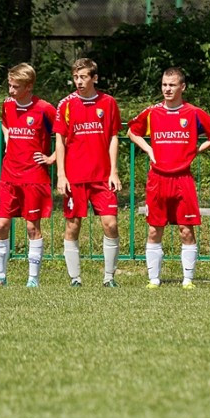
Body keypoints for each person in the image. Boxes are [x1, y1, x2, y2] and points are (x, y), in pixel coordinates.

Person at [128, 67, 210, 289]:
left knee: (186, 229)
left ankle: (188, 280)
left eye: (172, 85)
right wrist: (149, 150)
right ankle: (154, 279)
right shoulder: (152, 112)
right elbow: (133, 132)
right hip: (157, 179)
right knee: (154, 229)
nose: (167, 89)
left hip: (183, 179)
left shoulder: (193, 113)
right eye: (164, 84)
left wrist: (199, 149)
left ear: (183, 87)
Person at [54, 58, 122, 287]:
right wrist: (61, 175)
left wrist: (114, 171)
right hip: (75, 177)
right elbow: (60, 141)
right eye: (76, 77)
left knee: (110, 224)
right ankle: (75, 278)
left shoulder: (108, 102)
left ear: (95, 78)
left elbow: (114, 136)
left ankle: (109, 277)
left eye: (84, 77)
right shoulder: (65, 104)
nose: (79, 82)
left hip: (102, 176)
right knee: (73, 226)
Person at [0, 63, 56, 288]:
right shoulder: (7, 105)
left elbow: (66, 135)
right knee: (1, 225)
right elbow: (6, 124)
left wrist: (52, 157)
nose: (11, 91)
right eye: (9, 85)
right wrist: (9, 140)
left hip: (34, 176)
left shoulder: (45, 109)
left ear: (29, 86)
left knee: (32, 227)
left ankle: (33, 279)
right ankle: (0, 276)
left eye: (16, 86)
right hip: (9, 176)